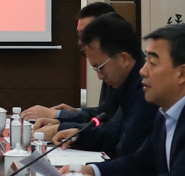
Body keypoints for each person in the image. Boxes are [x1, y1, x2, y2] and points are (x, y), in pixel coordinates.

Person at [80, 23, 185, 176]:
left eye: (152, 63)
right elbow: (142, 162)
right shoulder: (166, 111)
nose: (142, 71)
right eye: (145, 61)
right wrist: (92, 170)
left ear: (182, 73)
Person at [45, 13, 150, 156]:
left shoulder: (146, 86)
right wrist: (78, 133)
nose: (100, 76)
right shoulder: (127, 80)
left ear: (124, 59)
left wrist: (93, 169)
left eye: (100, 68)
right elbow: (115, 129)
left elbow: (126, 145)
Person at [25, 1, 117, 123]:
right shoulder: (110, 65)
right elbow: (105, 112)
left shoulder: (123, 71)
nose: (81, 42)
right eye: (80, 35)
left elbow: (110, 122)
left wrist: (56, 116)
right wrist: (75, 112)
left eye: (86, 35)